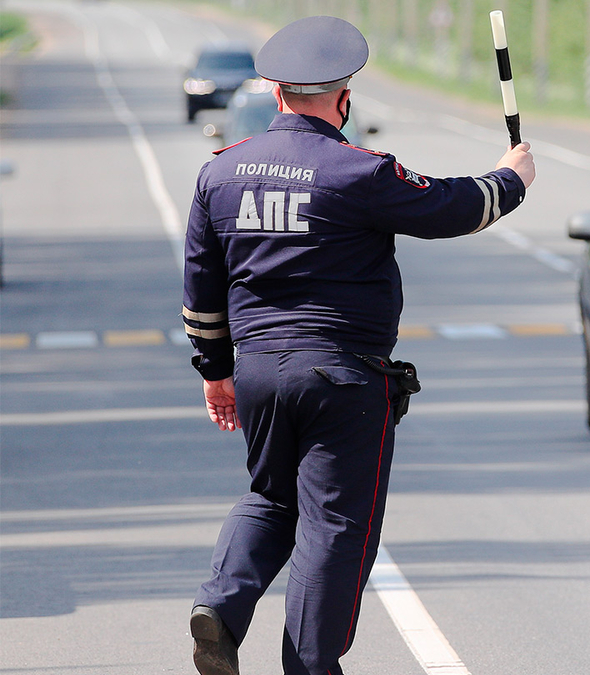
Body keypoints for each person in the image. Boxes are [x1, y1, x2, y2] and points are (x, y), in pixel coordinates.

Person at [182, 15, 534, 675]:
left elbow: (200, 292)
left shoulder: (219, 175)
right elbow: (453, 207)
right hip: (342, 375)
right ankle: (311, 665)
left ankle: (221, 608)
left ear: (277, 93)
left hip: (258, 371)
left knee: (268, 497)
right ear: (343, 98)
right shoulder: (358, 173)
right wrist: (511, 177)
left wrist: (216, 372)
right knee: (335, 524)